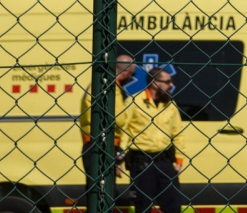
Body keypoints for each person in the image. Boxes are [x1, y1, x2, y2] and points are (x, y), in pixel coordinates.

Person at [124, 68, 186, 213]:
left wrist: (179, 159)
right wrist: (119, 158)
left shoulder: (170, 104)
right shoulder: (134, 101)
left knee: (173, 204)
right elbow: (124, 129)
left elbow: (178, 133)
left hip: (164, 160)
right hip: (141, 161)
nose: (171, 85)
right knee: (143, 205)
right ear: (154, 83)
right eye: (167, 82)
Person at [79, 53, 136, 197]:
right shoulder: (107, 86)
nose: (132, 77)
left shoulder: (105, 85)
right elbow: (118, 119)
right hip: (100, 145)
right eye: (132, 74)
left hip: (103, 144)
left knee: (104, 191)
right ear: (126, 72)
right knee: (102, 193)